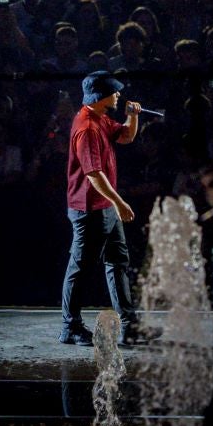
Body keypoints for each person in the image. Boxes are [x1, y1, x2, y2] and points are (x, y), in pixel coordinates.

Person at [59, 71, 158, 346]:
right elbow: (93, 174)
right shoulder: (87, 127)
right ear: (101, 95)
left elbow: (126, 136)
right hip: (89, 208)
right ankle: (70, 326)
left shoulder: (100, 117)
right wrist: (119, 201)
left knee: (118, 263)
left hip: (104, 206)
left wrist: (134, 116)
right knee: (81, 266)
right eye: (113, 92)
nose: (118, 95)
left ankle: (129, 324)